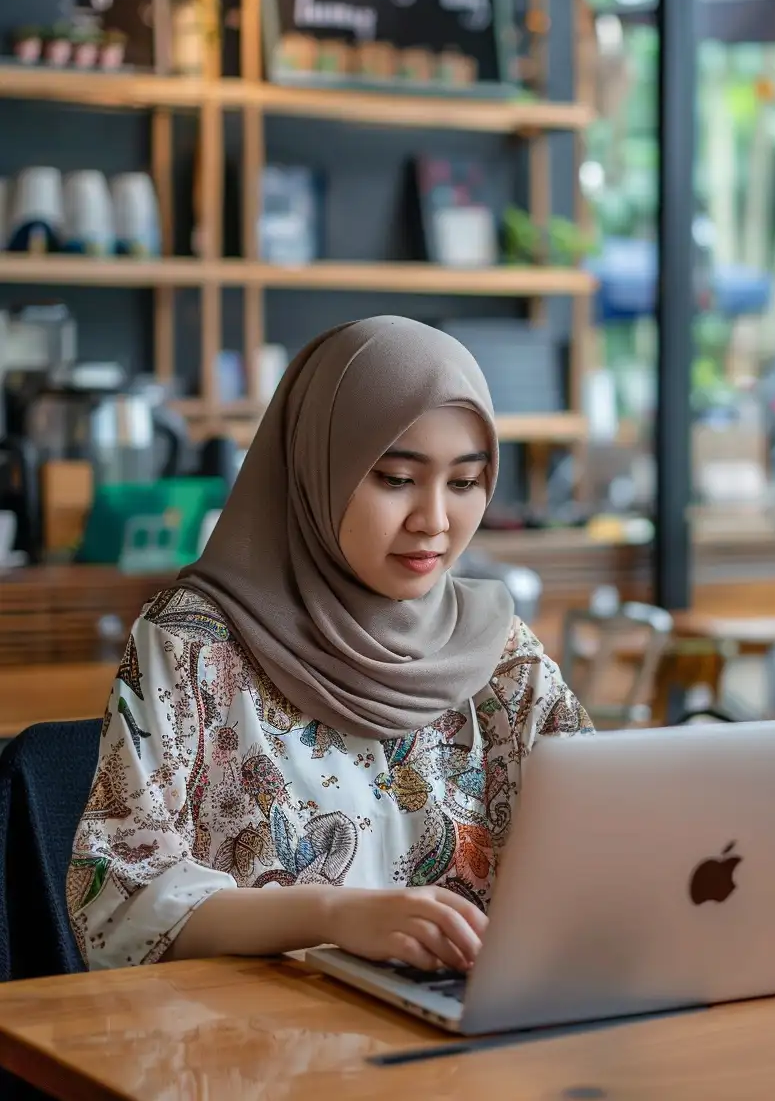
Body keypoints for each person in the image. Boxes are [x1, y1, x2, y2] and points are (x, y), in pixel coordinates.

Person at [68, 316, 589, 969]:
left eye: (462, 483)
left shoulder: (503, 657)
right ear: (317, 469)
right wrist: (333, 916)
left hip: (465, 1035)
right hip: (254, 1046)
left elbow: (603, 852)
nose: (434, 520)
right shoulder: (194, 644)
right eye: (396, 479)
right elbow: (116, 903)